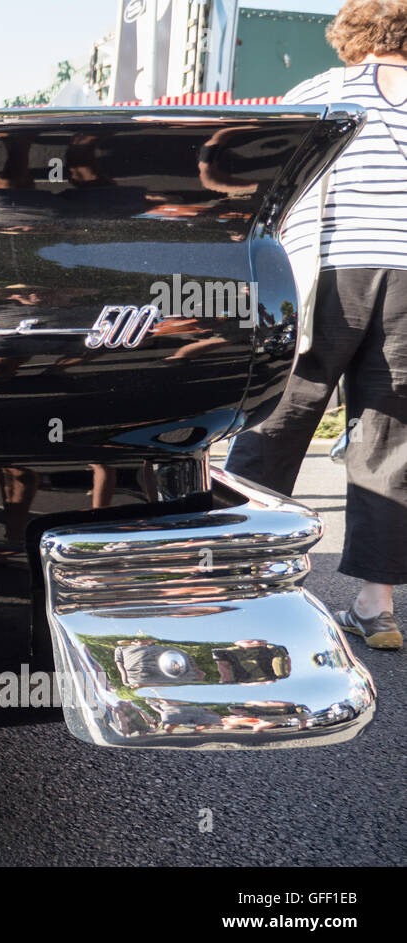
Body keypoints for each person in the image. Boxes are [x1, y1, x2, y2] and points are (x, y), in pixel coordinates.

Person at [227, 0, 407, 650]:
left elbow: (260, 171)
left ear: (355, 26)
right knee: (389, 441)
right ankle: (376, 606)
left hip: (328, 271)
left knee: (279, 418)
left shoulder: (322, 90)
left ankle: (238, 585)